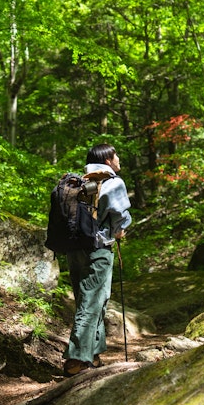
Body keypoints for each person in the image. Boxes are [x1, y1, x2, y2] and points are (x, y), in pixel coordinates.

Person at [63, 143, 132, 376]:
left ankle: (92, 353)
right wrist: (119, 231)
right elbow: (121, 220)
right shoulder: (113, 182)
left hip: (73, 250)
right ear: (107, 160)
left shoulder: (80, 183)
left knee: (89, 299)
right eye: (116, 155)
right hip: (98, 249)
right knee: (93, 301)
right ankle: (76, 360)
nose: (119, 158)